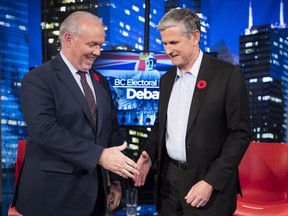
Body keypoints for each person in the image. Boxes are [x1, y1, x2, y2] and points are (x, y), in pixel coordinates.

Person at [12, 11, 139, 216]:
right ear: (68, 39)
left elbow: (111, 132)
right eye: (92, 45)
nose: (97, 52)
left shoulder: (101, 82)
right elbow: (44, 131)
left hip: (95, 199)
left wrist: (116, 181)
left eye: (100, 45)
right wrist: (100, 155)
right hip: (52, 198)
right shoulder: (38, 79)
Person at [134, 8, 251, 216]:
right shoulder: (166, 80)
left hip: (208, 185)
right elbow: (161, 126)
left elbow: (240, 135)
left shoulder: (228, 75)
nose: (168, 50)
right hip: (168, 185)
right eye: (164, 43)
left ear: (195, 37)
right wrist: (149, 153)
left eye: (174, 43)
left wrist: (210, 182)